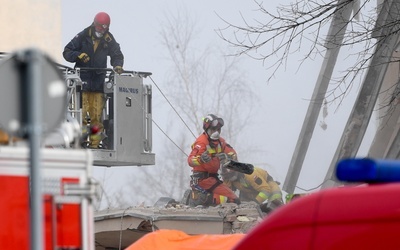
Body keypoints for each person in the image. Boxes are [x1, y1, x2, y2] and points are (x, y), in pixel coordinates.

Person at [63, 12, 124, 148]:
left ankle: (95, 144)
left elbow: (117, 54)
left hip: (98, 84)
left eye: (104, 29)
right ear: (94, 24)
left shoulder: (108, 40)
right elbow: (67, 52)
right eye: (99, 28)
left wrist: (118, 65)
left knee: (96, 116)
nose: (100, 31)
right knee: (82, 115)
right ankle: (83, 141)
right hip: (82, 84)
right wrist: (78, 55)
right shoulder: (82, 36)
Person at [187, 114, 240, 206]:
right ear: (207, 129)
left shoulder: (220, 142)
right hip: (203, 180)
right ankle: (194, 199)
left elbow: (232, 153)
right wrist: (201, 159)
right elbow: (190, 160)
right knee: (224, 199)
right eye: (213, 130)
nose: (216, 132)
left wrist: (228, 158)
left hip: (214, 179)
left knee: (233, 199)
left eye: (218, 130)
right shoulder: (201, 142)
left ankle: (201, 200)